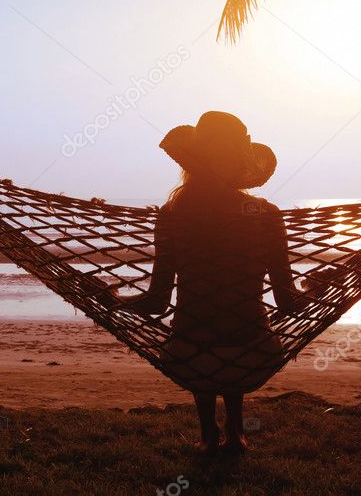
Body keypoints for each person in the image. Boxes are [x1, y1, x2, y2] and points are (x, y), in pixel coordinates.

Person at [109, 111, 305, 456]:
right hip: (254, 355)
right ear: (239, 162)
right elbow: (288, 302)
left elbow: (156, 302)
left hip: (189, 358)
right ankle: (235, 430)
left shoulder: (173, 216)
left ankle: (208, 434)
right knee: (239, 321)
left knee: (197, 326)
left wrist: (112, 300)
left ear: (192, 163)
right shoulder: (266, 215)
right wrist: (324, 288)